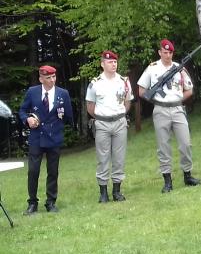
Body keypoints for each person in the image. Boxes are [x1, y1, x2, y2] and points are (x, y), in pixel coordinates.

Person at [137, 39, 201, 193]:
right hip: (160, 110)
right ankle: (167, 181)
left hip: (178, 109)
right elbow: (141, 90)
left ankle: (188, 175)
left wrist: (177, 100)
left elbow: (189, 89)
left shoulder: (179, 68)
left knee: (185, 143)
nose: (167, 55)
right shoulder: (152, 68)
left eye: (170, 52)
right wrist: (157, 99)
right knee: (163, 145)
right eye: (165, 52)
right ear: (160, 52)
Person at [18, 65, 74, 214]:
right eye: (48, 78)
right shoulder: (32, 92)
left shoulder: (63, 94)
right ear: (41, 78)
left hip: (54, 137)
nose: (52, 80)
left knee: (53, 171)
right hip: (37, 137)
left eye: (54, 77)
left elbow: (69, 116)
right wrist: (28, 119)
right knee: (33, 171)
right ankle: (32, 203)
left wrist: (59, 126)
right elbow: (22, 110)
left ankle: (50, 202)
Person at [86, 51, 133, 203]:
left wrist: (119, 114)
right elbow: (90, 106)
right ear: (102, 64)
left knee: (119, 158)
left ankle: (117, 191)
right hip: (102, 123)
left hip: (119, 122)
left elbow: (127, 102)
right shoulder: (95, 83)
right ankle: (103, 192)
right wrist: (102, 117)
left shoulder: (124, 81)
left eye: (115, 62)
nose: (113, 64)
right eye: (110, 62)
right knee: (103, 158)